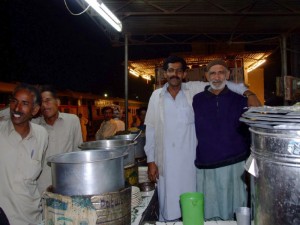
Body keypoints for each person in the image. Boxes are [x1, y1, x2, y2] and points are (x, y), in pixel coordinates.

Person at [144, 55, 260, 221]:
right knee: (168, 204)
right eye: (170, 70)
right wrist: (151, 160)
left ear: (185, 74)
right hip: (166, 162)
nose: (174, 74)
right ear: (165, 74)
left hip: (191, 162)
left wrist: (248, 92)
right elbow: (151, 129)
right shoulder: (156, 96)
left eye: (179, 70)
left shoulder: (194, 90)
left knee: (193, 203)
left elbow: (225, 84)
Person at [192, 59, 261, 220]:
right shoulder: (197, 99)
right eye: (212, 73)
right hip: (206, 161)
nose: (217, 77)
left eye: (221, 72)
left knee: (235, 206)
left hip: (235, 161)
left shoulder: (240, 100)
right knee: (210, 208)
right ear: (206, 76)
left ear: (228, 75)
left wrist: (250, 93)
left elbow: (253, 124)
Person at [0, 83, 48, 225]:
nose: (17, 108)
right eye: (14, 101)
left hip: (32, 217)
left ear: (35, 110)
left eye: (24, 103)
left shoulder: (42, 135)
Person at [37, 85, 83, 194]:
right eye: (40, 102)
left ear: (57, 102)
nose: (44, 105)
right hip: (42, 187)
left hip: (68, 183)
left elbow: (78, 151)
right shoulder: (34, 125)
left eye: (48, 101)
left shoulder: (72, 120)